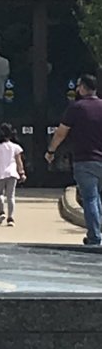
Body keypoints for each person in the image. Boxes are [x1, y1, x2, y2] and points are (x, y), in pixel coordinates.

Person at [46, 72, 102, 246]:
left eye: (78, 86)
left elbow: (61, 133)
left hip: (84, 159)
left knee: (90, 198)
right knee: (98, 197)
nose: (77, 89)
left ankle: (94, 237)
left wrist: (51, 151)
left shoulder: (76, 108)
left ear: (83, 88)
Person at [0, 122, 25, 226]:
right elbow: (19, 161)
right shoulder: (15, 147)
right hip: (12, 173)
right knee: (11, 196)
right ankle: (10, 218)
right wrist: (21, 172)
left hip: (0, 173)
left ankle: (1, 212)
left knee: (0, 193)